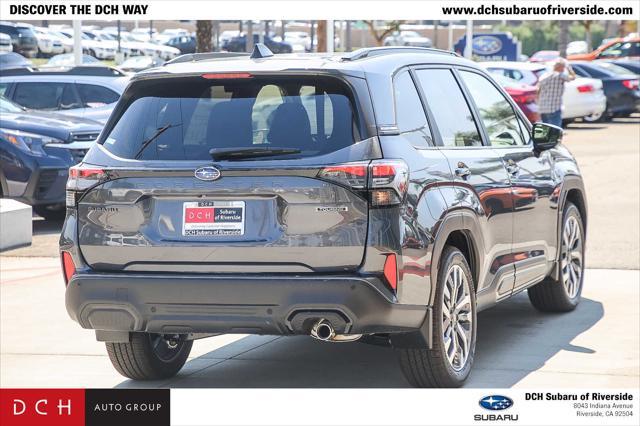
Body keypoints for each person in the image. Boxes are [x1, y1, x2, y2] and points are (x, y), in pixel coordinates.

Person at [537, 58, 576, 128]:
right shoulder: (559, 75)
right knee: (555, 130)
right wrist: (569, 69)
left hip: (543, 107)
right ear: (561, 67)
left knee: (546, 130)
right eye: (563, 67)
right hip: (554, 107)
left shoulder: (544, 76)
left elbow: (538, 90)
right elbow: (573, 77)